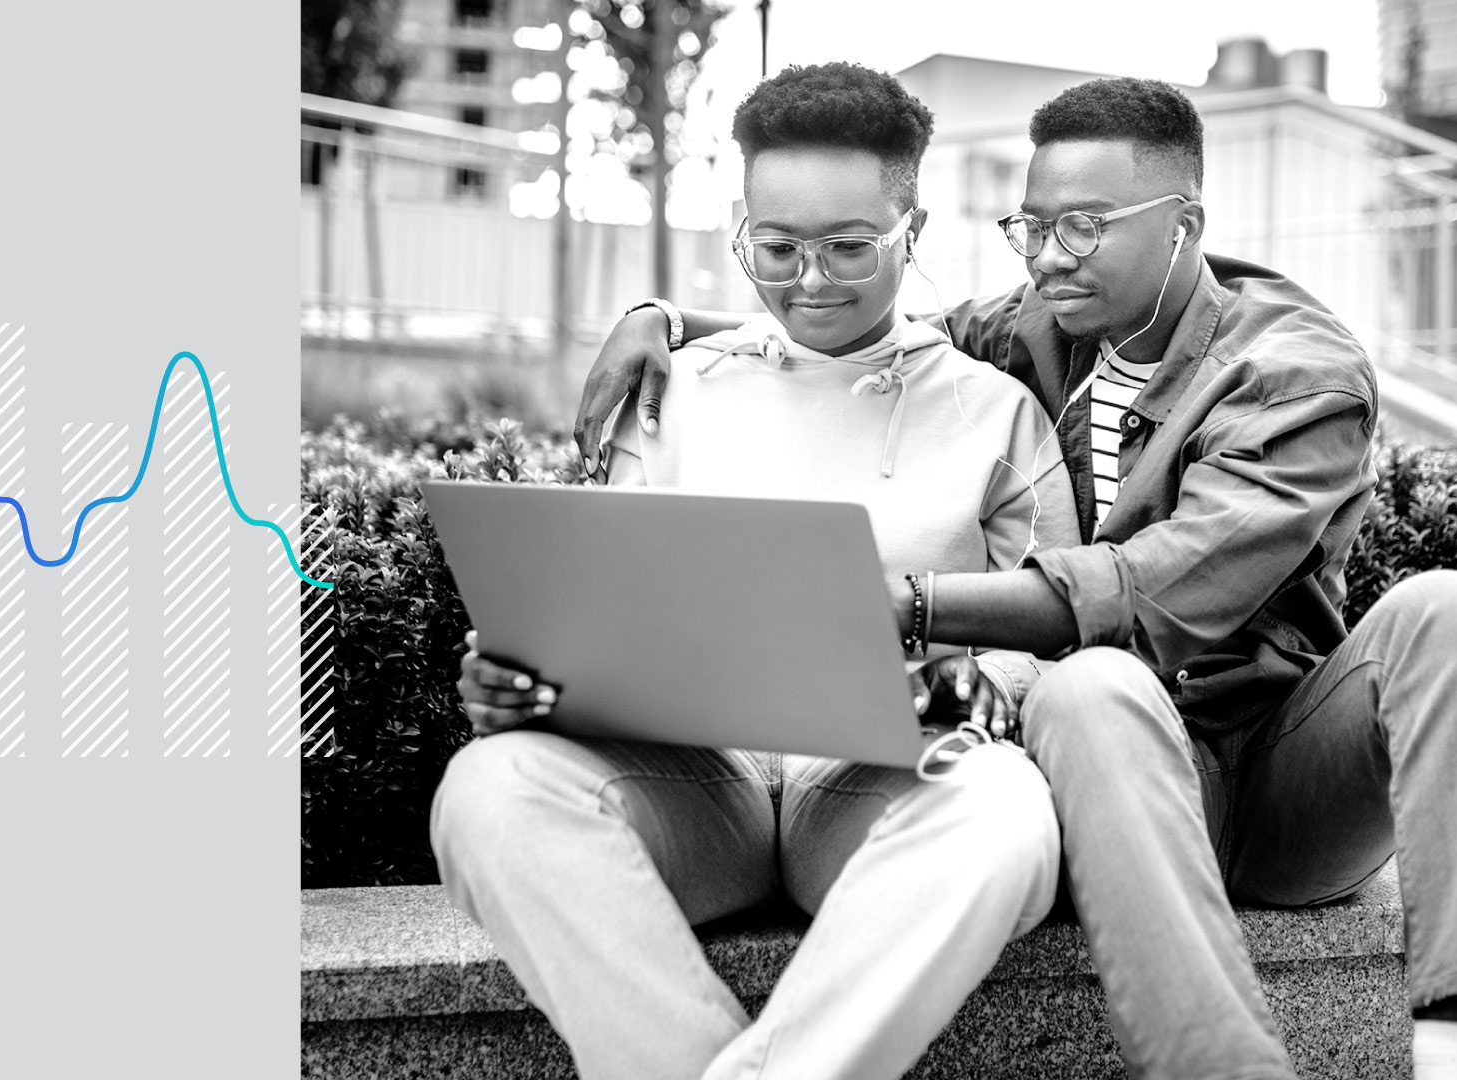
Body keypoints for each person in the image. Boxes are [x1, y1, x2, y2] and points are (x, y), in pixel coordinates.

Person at [563, 77, 1457, 1080]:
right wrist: (665, 319)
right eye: (1030, 227)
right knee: (1089, 686)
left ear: (1183, 225)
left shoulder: (1296, 371)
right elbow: (851, 309)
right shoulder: (1047, 323)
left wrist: (906, 606)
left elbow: (1154, 590)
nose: (1045, 257)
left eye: (1082, 227)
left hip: (1280, 771)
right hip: (1105, 765)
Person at [433, 62, 1081, 1080]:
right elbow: (599, 604)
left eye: (848, 247)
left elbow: (1054, 631)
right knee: (489, 789)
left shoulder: (997, 416)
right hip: (697, 788)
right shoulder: (671, 393)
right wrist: (520, 679)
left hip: (881, 788)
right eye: (776, 248)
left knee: (1003, 812)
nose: (809, 281)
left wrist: (985, 683)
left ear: (912, 230)